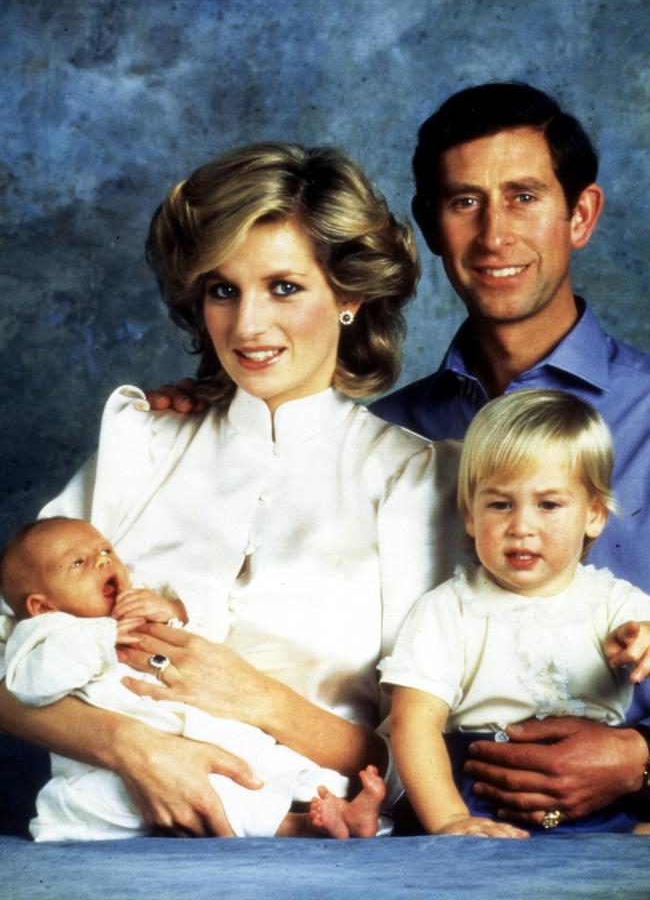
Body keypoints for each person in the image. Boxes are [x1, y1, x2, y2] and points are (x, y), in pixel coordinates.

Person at [147, 87, 650, 828]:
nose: (495, 235)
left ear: (580, 215)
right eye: (464, 203)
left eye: (524, 197)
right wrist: (212, 408)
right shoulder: (393, 439)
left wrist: (642, 761)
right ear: (431, 224)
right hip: (427, 840)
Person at [0, 142, 465, 836]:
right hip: (109, 846)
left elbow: (413, 763)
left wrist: (260, 701)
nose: (247, 326)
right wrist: (132, 747)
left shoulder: (417, 480)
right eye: (223, 289)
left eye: (284, 286)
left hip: (319, 858)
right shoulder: (143, 442)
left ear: (349, 295)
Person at [0, 516, 385, 840]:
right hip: (113, 777)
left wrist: (172, 612)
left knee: (267, 757)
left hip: (195, 733)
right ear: (42, 606)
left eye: (105, 551)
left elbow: (208, 639)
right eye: (78, 564)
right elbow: (30, 685)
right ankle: (301, 827)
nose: (102, 562)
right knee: (218, 789)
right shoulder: (42, 635)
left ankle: (337, 801)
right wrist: (103, 637)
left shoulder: (136, 607)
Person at [381, 389, 650, 837]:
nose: (521, 526)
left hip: (598, 796)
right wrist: (450, 819)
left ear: (594, 516)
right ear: (469, 516)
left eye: (549, 505)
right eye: (500, 504)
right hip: (477, 795)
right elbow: (414, 723)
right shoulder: (451, 609)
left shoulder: (613, 601)